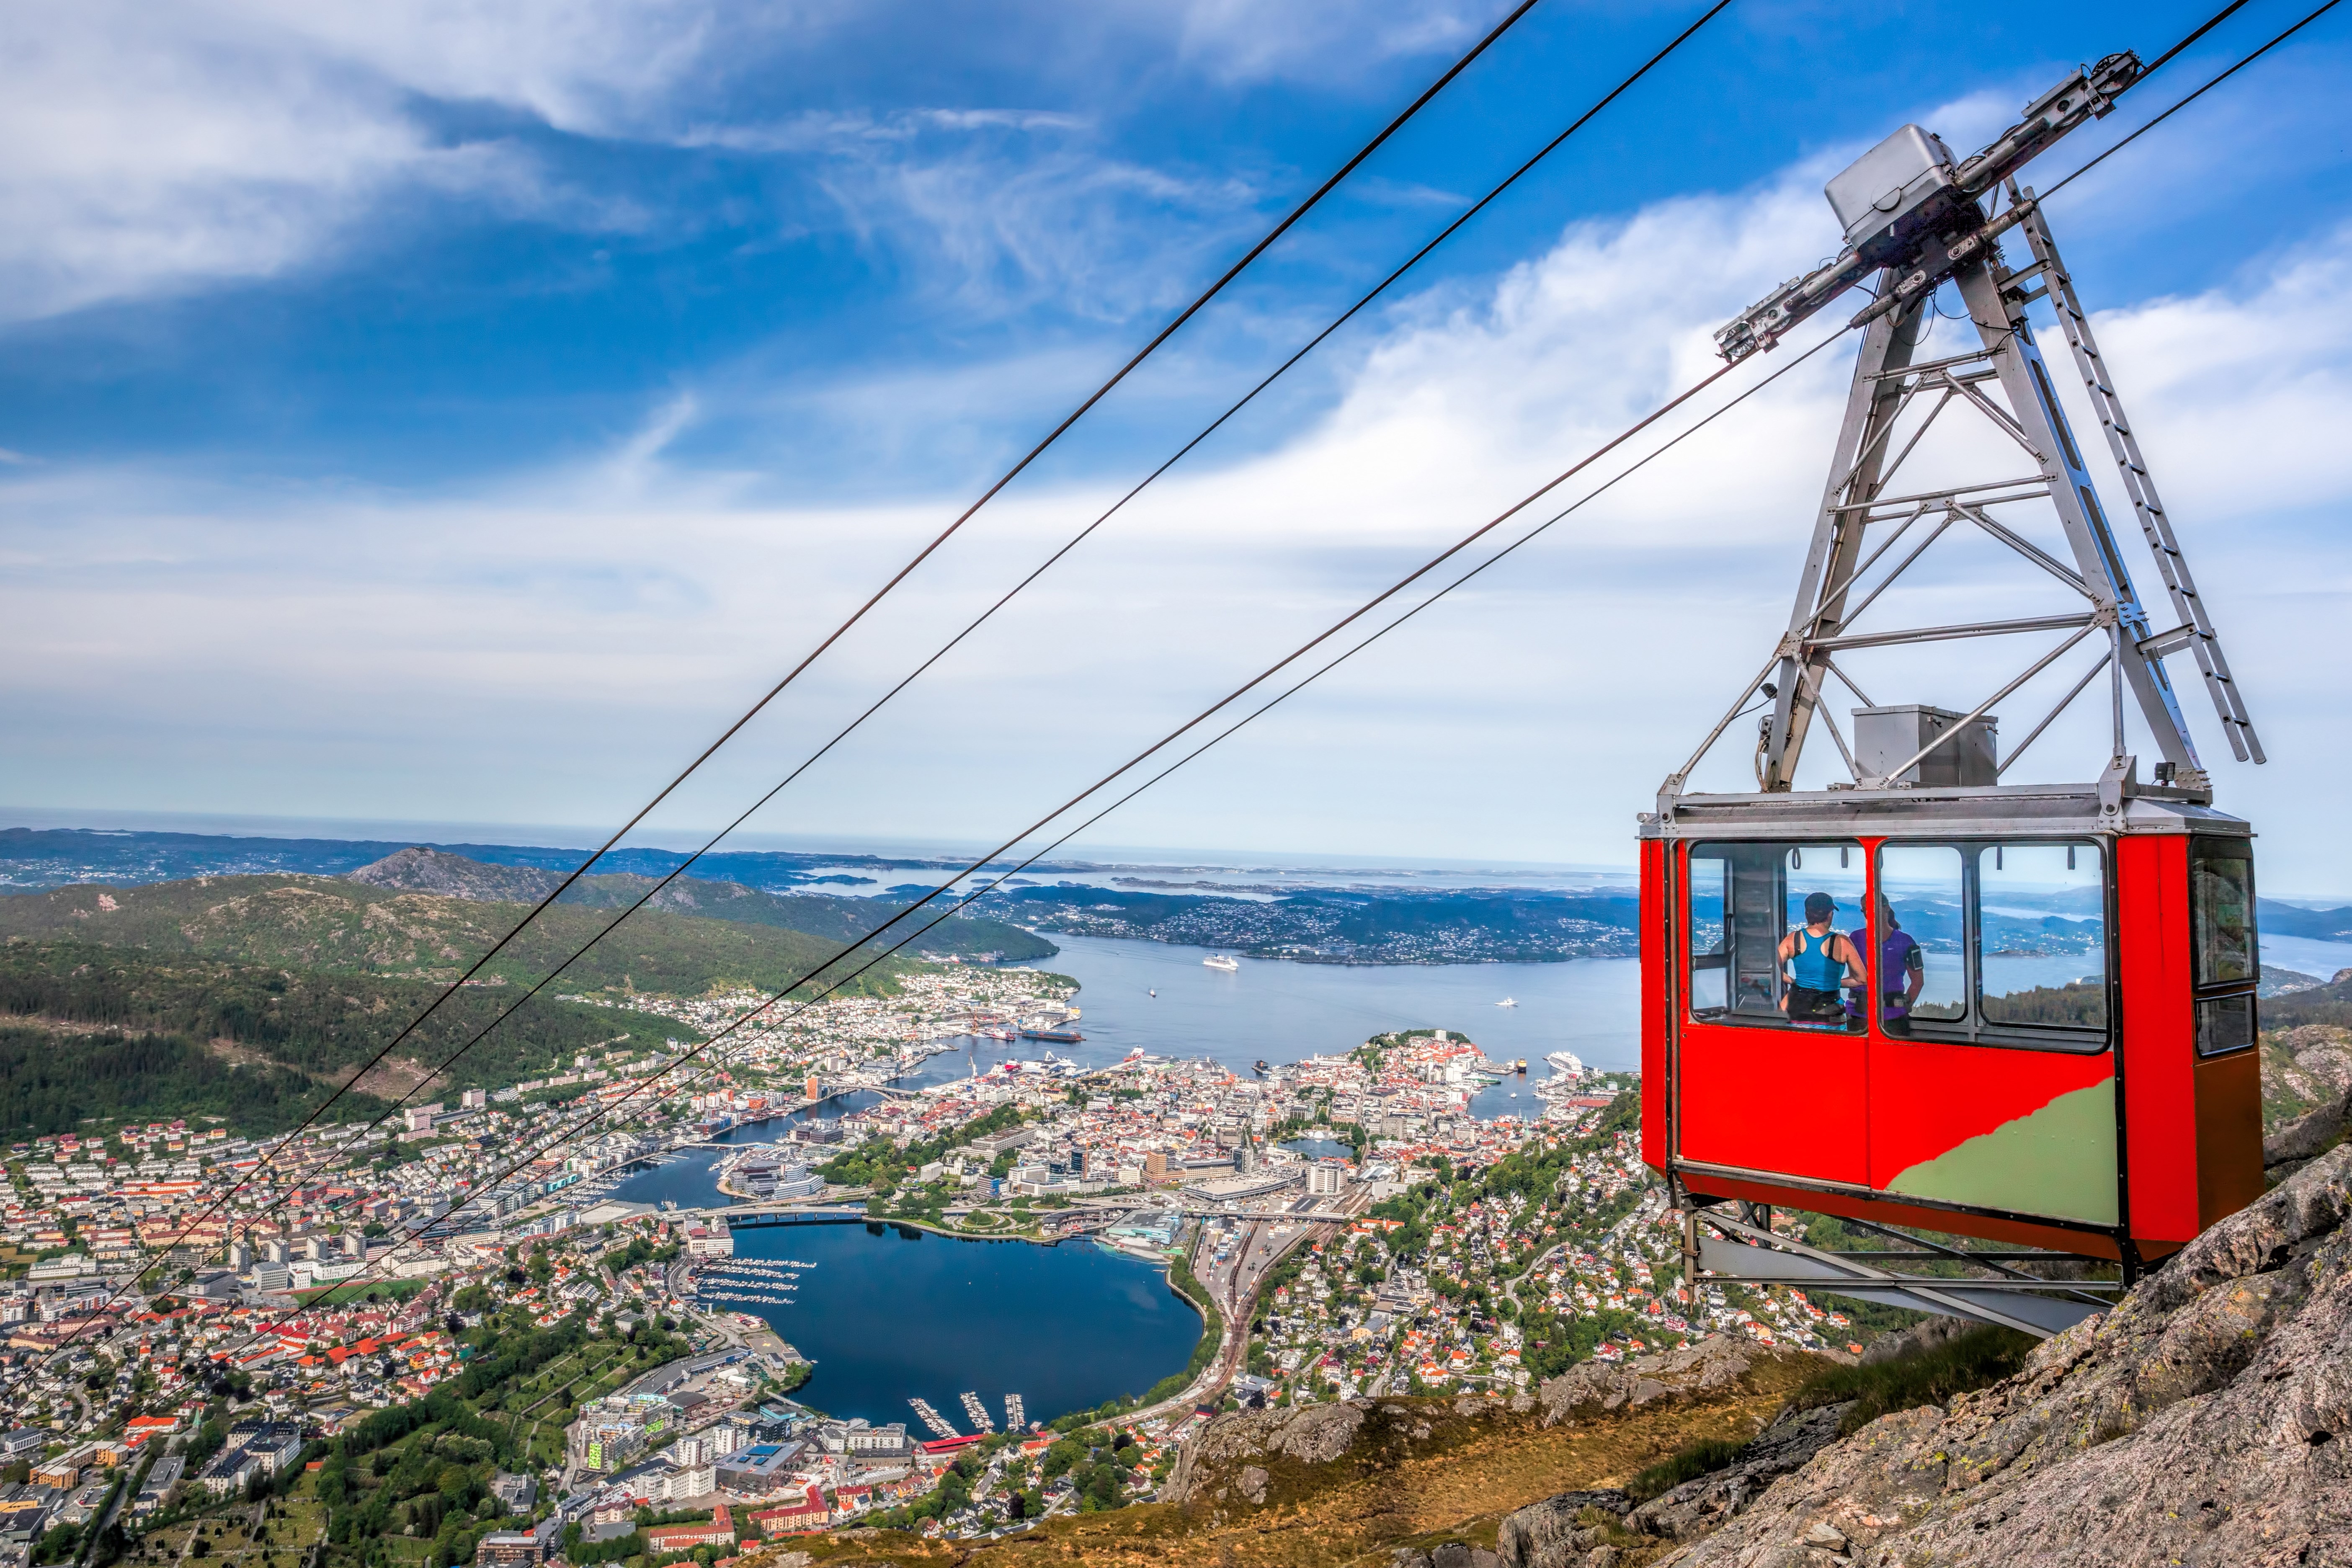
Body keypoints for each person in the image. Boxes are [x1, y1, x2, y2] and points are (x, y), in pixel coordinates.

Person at [1780, 890, 1863, 1023]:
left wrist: (1794, 982)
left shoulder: (1793, 939)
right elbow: (1862, 980)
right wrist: (1834, 983)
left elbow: (1772, 967)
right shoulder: (1842, 942)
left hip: (1797, 1011)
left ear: (1807, 914)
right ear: (1830, 914)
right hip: (1830, 1014)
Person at [1848, 895, 1926, 1036]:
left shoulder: (1906, 941)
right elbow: (1854, 976)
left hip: (1894, 1019)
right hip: (1859, 1015)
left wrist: (1903, 1006)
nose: (1869, 913)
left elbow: (1918, 981)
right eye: (1865, 910)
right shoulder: (1855, 938)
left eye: (1873, 908)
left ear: (1887, 908)